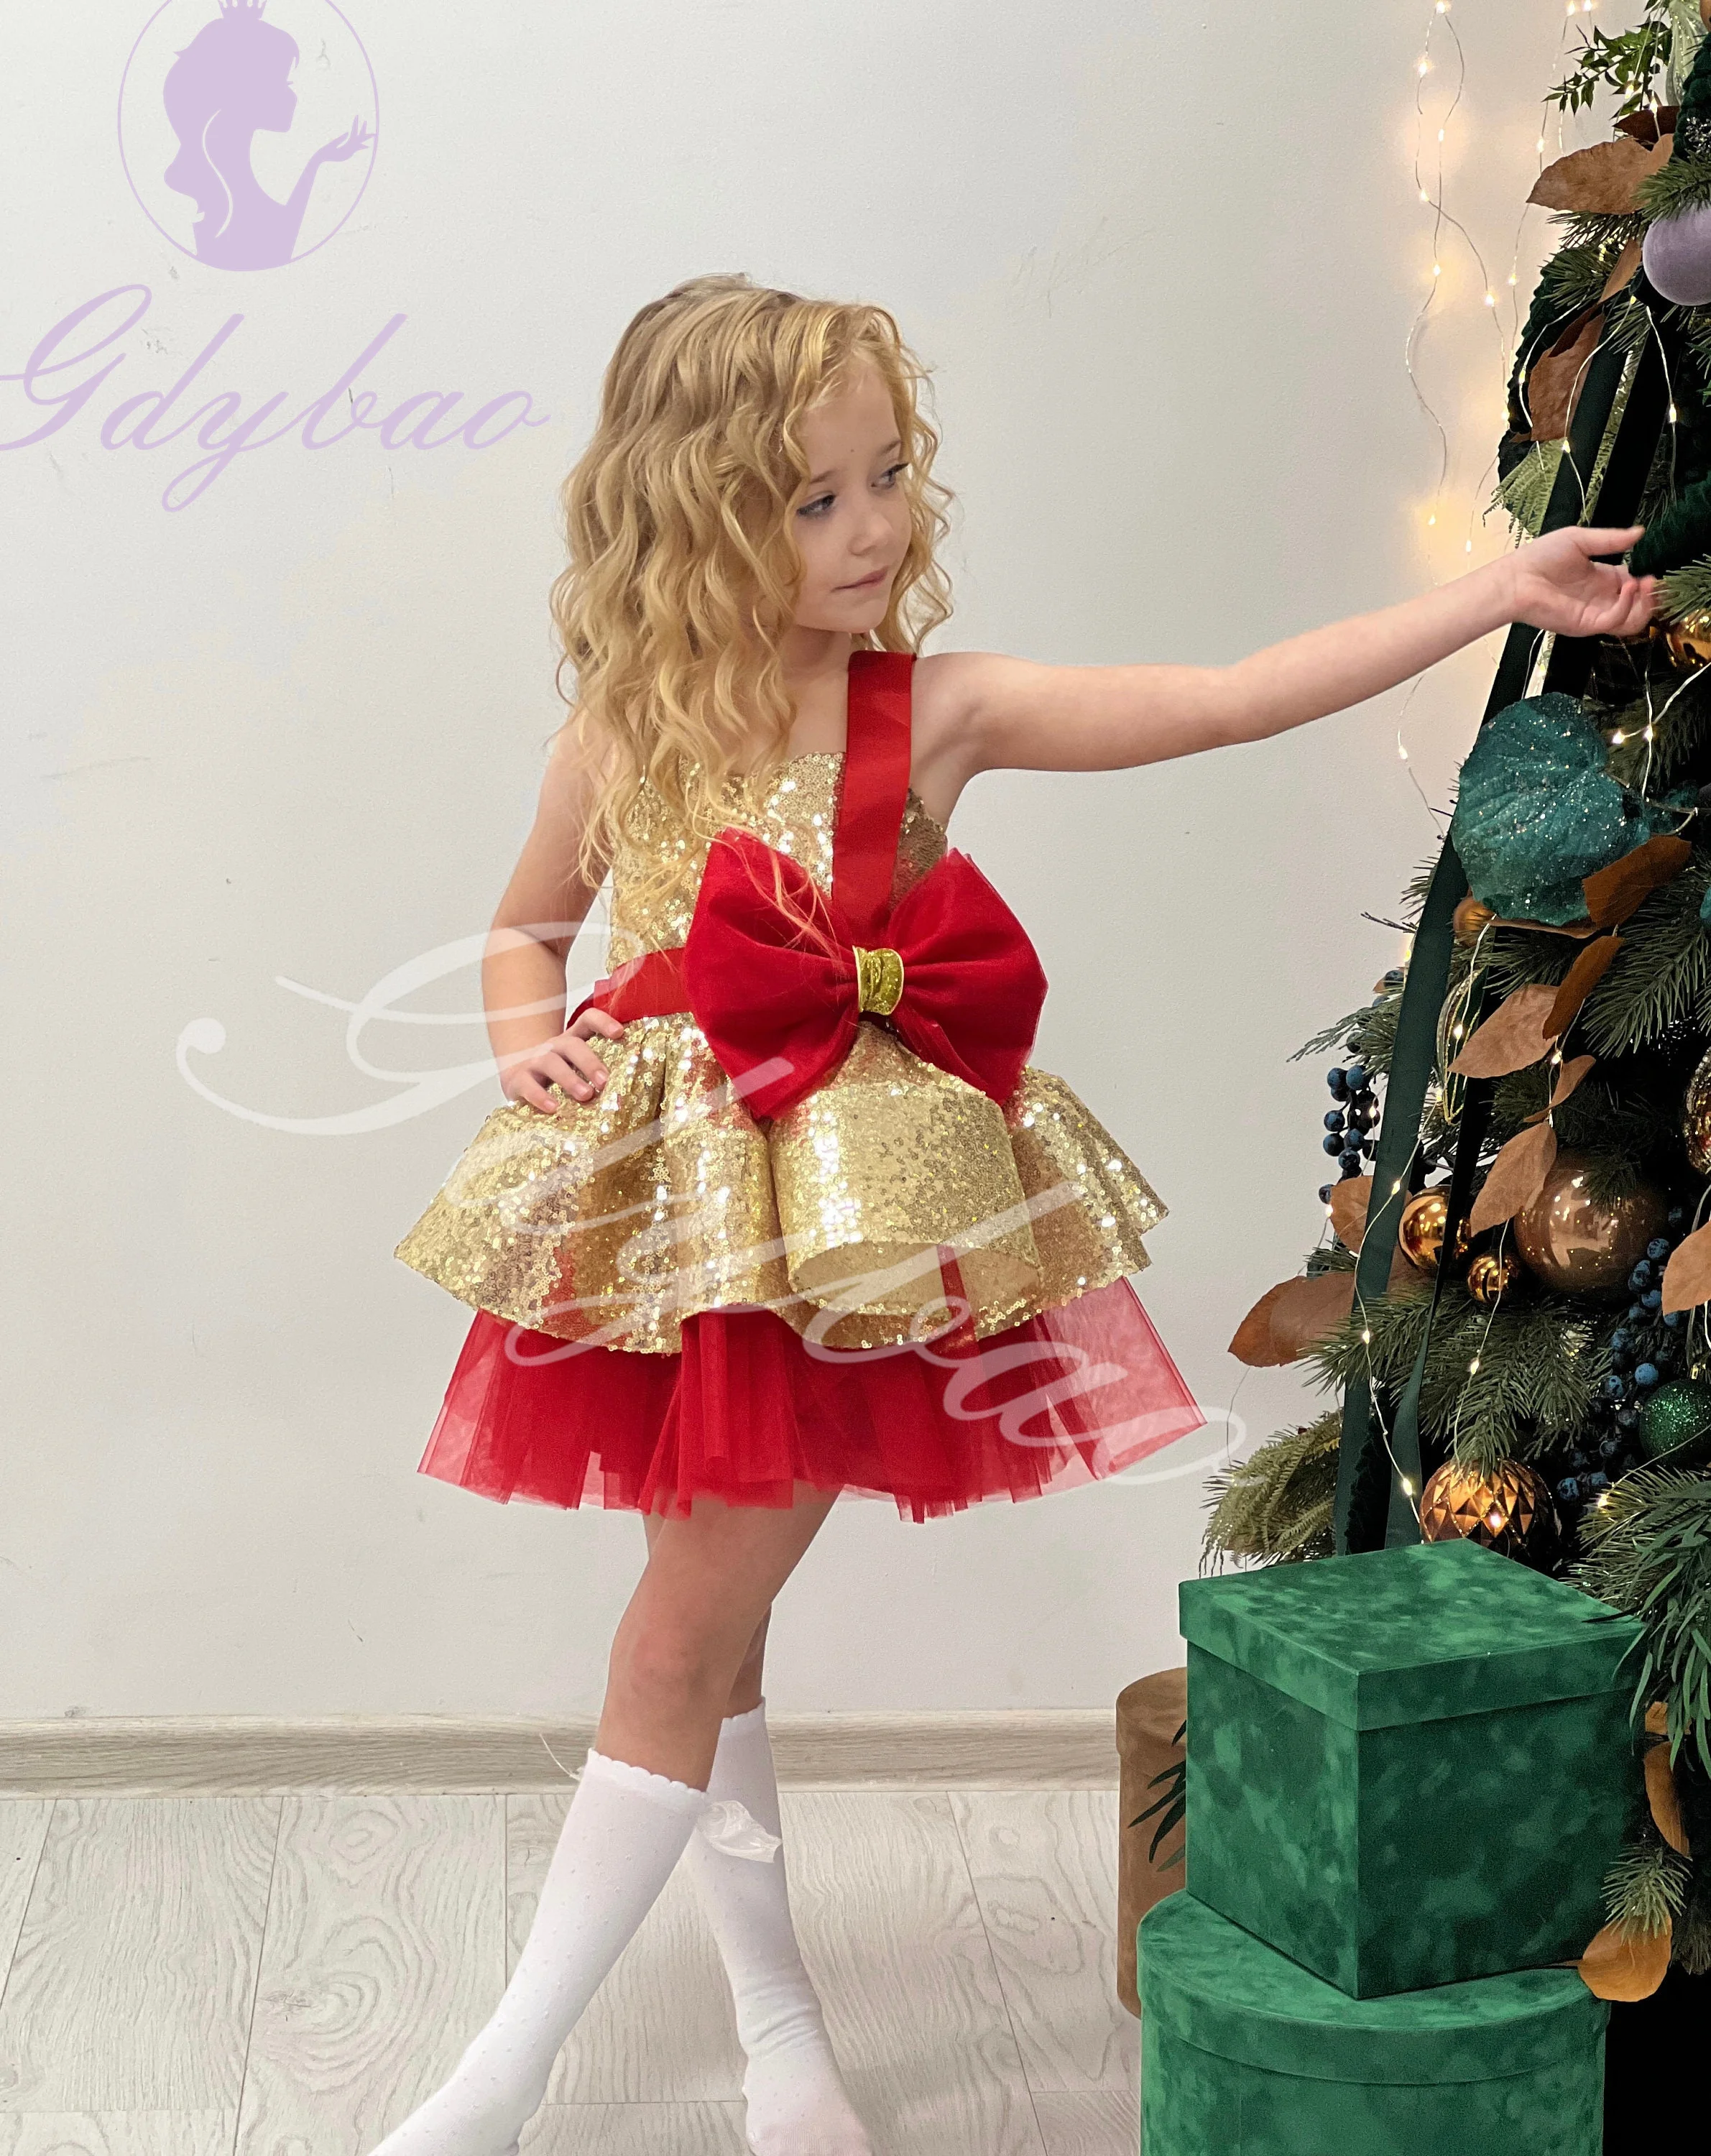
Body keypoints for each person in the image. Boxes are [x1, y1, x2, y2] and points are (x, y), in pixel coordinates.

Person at [374, 274, 1656, 2156]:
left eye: (886, 475)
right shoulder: (627, 725)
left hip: (854, 1229)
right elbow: (522, 928)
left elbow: (1216, 702)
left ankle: (500, 2080)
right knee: (707, 1638)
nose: (873, 525)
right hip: (669, 1230)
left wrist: (1489, 593)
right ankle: (777, 2029)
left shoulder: (938, 710)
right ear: (697, 509)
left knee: (672, 1634)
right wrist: (519, 1042)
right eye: (814, 498)